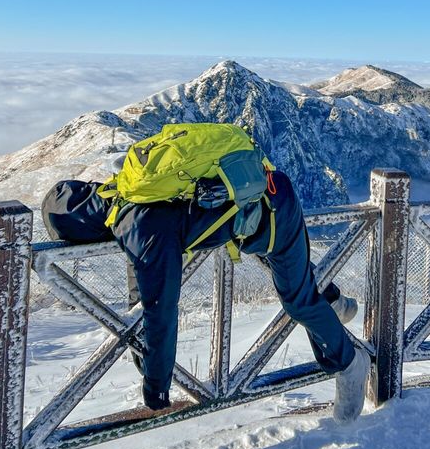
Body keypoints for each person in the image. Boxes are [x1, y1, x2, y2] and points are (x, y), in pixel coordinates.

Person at [42, 169, 370, 425]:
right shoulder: (129, 188)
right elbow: (141, 288)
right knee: (292, 276)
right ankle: (332, 302)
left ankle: (351, 361)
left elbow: (161, 309)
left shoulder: (140, 225)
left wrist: (156, 385)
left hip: (273, 212)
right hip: (265, 190)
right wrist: (143, 352)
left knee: (297, 301)